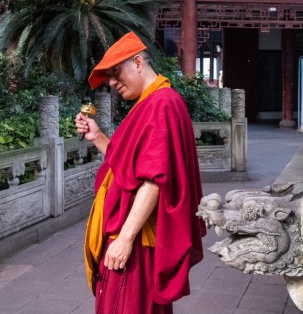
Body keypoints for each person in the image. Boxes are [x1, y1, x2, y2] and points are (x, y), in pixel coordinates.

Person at [76, 31, 206, 314]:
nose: (112, 82)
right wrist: (98, 137)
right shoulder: (150, 103)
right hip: (131, 236)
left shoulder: (162, 103)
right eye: (108, 77)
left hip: (136, 242)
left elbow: (153, 181)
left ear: (137, 62)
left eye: (115, 72)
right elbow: (130, 168)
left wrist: (124, 239)